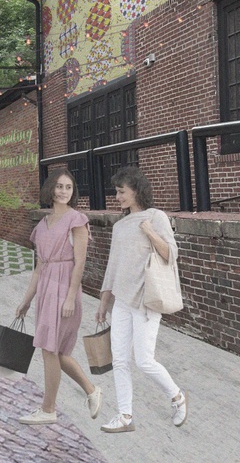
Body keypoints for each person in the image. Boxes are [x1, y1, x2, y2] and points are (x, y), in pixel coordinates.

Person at [96, 166, 187, 433]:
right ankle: (125, 416)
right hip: (122, 301)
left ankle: (178, 397)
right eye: (116, 191)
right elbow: (112, 268)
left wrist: (149, 231)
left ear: (136, 190)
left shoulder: (155, 216)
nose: (118, 196)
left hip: (146, 300)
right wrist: (103, 304)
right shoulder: (120, 225)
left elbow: (171, 255)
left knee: (144, 361)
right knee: (120, 361)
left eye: (122, 191)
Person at [16, 168, 102, 425]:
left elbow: (80, 262)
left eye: (68, 187)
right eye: (59, 186)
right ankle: (91, 390)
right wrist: (26, 301)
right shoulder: (42, 225)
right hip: (46, 289)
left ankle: (48, 409)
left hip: (65, 288)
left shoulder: (77, 219)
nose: (64, 191)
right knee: (54, 351)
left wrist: (69, 297)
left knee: (50, 349)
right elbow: (39, 267)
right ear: (50, 189)